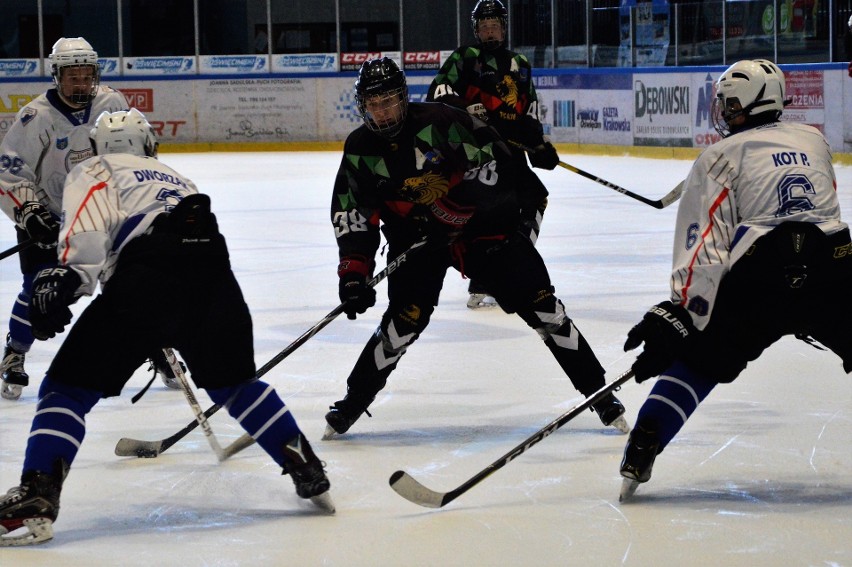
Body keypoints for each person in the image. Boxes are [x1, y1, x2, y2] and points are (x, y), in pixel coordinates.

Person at [0, 109, 333, 546]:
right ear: (150, 145)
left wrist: (71, 277)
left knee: (67, 389)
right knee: (235, 384)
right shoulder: (176, 178)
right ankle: (306, 466)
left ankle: (38, 495)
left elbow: (90, 225)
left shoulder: (94, 167)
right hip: (216, 278)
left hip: (146, 279)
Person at [324, 57, 628, 440]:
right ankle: (355, 400)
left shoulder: (440, 122)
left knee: (544, 306)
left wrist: (454, 210)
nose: (383, 112)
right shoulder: (359, 149)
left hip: (480, 231)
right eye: (374, 104)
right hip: (417, 242)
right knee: (403, 322)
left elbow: (497, 163)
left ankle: (598, 392)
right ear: (362, 106)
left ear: (403, 98)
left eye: (390, 101)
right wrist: (354, 273)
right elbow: (353, 213)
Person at [617, 59, 852, 501]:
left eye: (729, 104)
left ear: (748, 103)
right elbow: (826, 209)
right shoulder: (814, 140)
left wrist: (686, 313)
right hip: (831, 266)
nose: (723, 111)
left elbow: (704, 243)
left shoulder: (719, 156)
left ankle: (647, 437)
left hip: (761, 278)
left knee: (700, 360)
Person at [0, 37, 181, 400]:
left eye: (86, 76)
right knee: (40, 287)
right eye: (73, 78)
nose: (81, 84)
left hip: (102, 213)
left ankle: (156, 346)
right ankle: (14, 354)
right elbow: (10, 171)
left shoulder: (111, 102)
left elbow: (130, 154)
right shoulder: (36, 117)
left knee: (132, 285)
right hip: (51, 214)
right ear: (57, 76)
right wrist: (29, 211)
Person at [426, 0, 558, 309]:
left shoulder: (520, 64)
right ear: (476, 30)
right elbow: (438, 93)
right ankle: (487, 276)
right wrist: (465, 109)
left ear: (503, 26)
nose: (489, 31)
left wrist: (539, 146)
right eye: (484, 27)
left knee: (533, 201)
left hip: (510, 153)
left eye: (494, 25)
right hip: (475, 153)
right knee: (489, 211)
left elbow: (528, 112)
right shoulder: (465, 57)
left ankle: (504, 270)